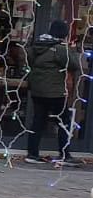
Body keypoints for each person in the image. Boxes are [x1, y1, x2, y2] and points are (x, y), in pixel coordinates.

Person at [24, 19, 81, 165]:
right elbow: (74, 64)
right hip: (54, 91)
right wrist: (71, 49)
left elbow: (29, 60)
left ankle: (32, 154)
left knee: (38, 121)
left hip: (37, 91)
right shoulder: (59, 48)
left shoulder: (36, 46)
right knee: (64, 122)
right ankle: (65, 154)